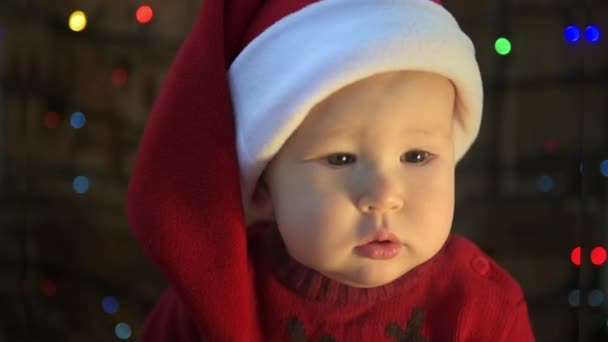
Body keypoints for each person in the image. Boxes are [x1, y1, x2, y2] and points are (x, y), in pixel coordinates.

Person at [125, 0, 536, 340]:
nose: (383, 195)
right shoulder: (209, 302)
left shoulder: (482, 309)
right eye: (341, 158)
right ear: (266, 187)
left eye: (416, 156)